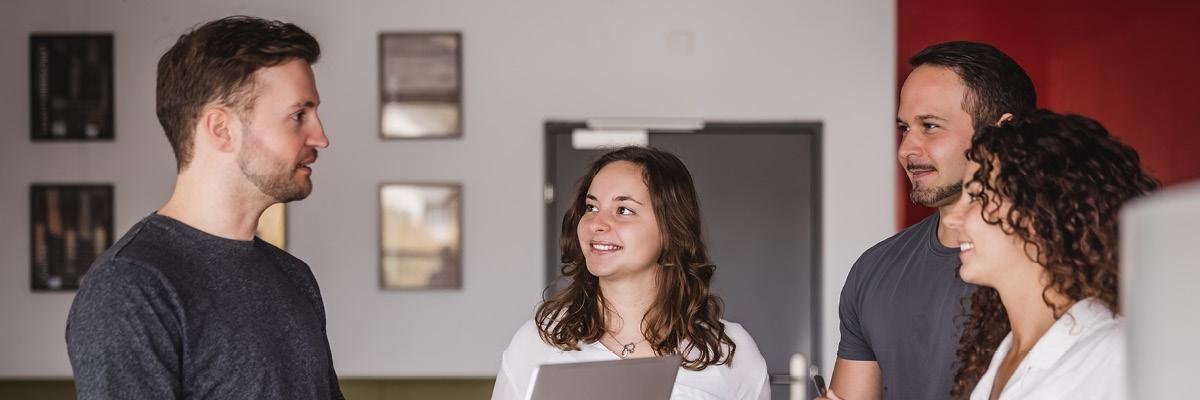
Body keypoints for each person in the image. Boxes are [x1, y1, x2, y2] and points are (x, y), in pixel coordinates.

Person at [65, 16, 342, 399]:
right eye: (298, 116)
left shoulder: (294, 276)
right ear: (221, 129)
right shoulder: (130, 286)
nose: (321, 137)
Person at [828, 41, 1037, 400]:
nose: (906, 150)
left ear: (1002, 134)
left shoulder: (1056, 268)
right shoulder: (873, 270)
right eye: (904, 129)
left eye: (930, 126)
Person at [492, 146, 769, 400]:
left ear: (671, 229)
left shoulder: (730, 351)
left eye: (623, 210)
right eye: (591, 207)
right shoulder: (537, 342)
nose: (597, 223)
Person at [944, 110, 1157, 399]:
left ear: (1039, 211)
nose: (951, 219)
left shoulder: (1117, 356)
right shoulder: (1000, 356)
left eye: (977, 196)